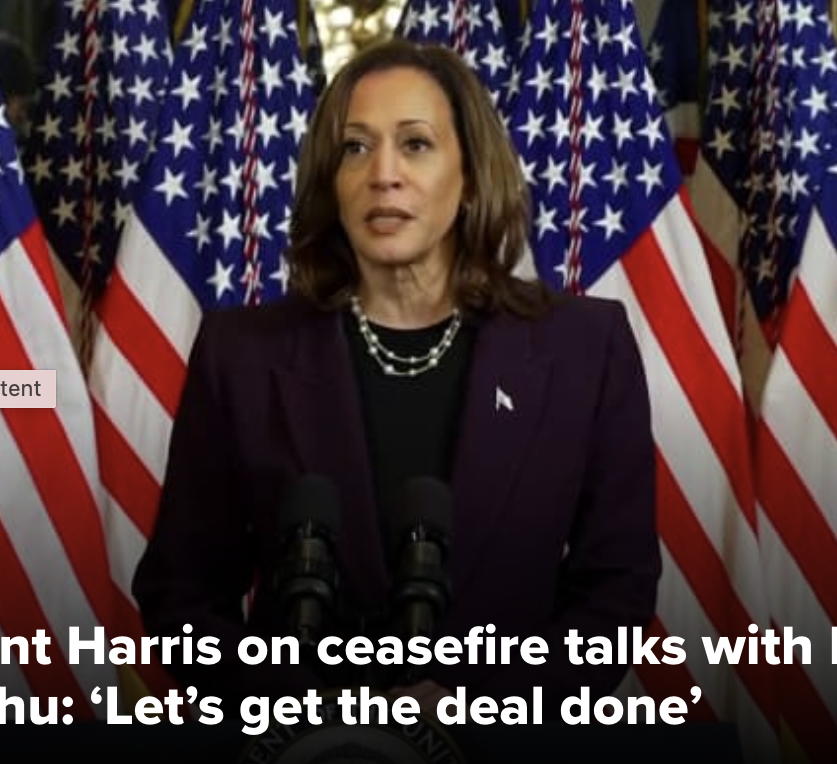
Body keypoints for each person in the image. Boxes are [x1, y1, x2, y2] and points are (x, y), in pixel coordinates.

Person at [132, 40, 660, 712]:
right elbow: (182, 596)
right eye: (355, 148)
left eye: (415, 144)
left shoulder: (586, 348)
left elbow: (616, 596)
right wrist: (296, 707)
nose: (383, 174)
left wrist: (487, 707)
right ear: (330, 181)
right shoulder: (241, 354)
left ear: (472, 174)